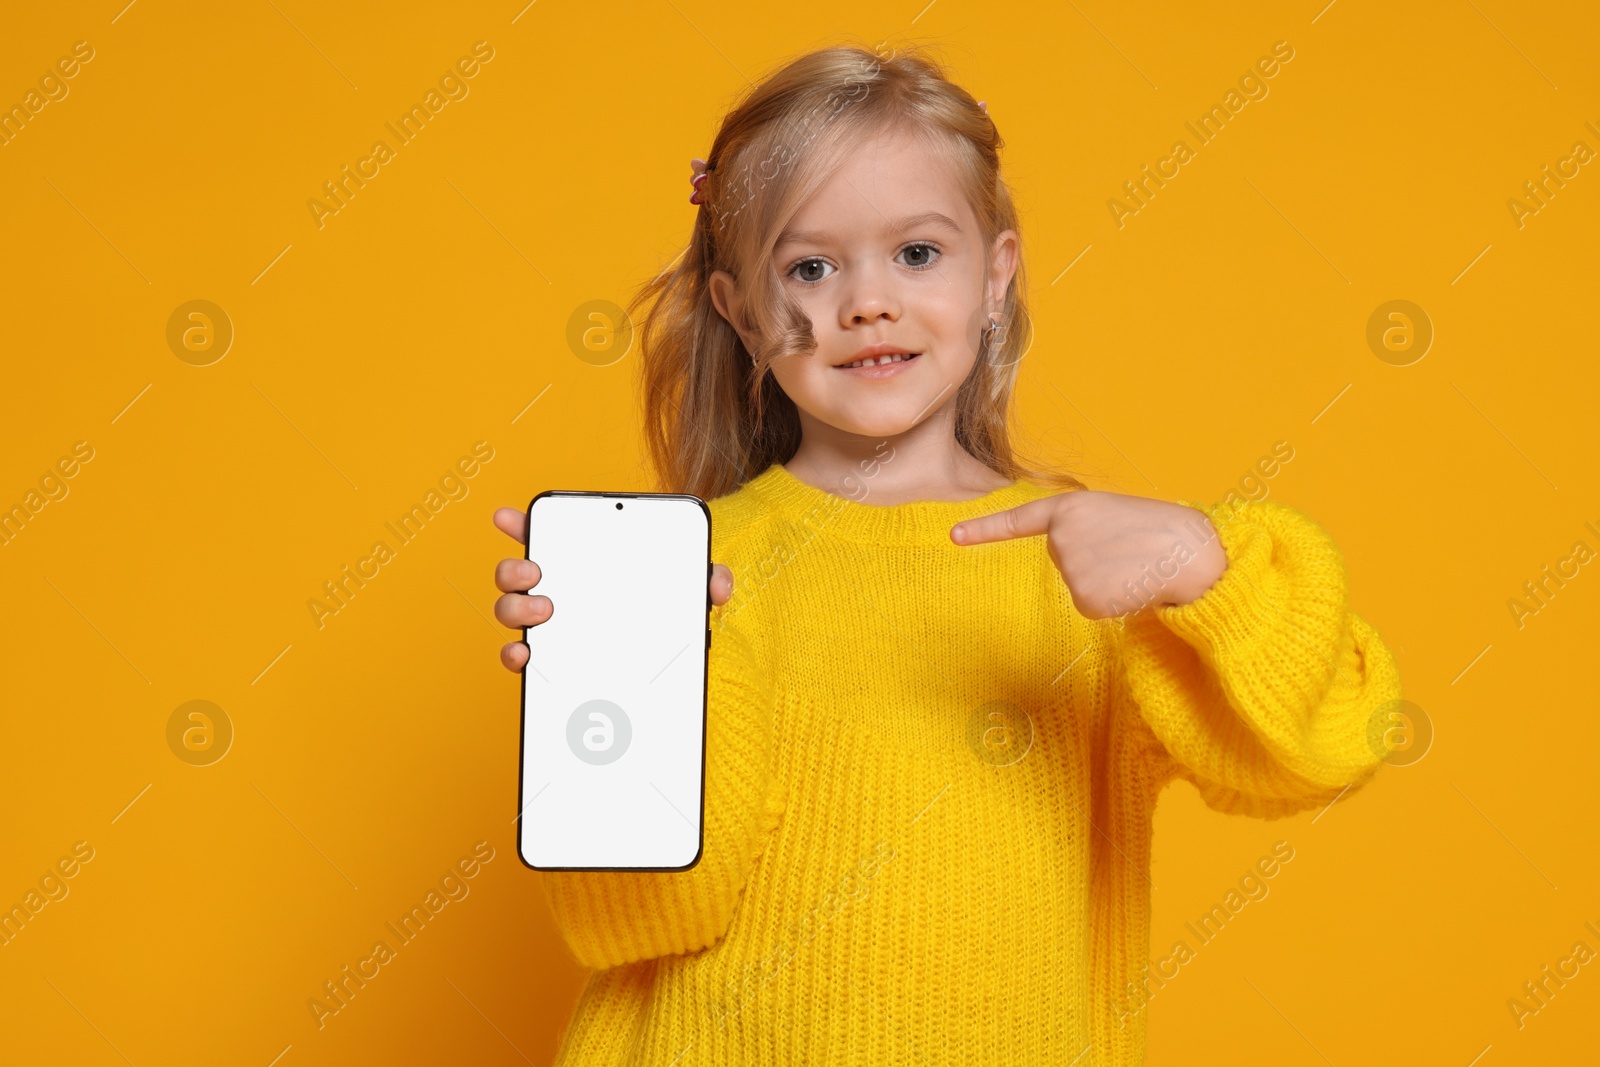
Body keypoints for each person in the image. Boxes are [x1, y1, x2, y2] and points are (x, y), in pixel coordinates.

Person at [491, 40, 1403, 1066]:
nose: (867, 300)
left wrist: (1207, 569)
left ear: (995, 275)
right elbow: (636, 922)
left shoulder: (1092, 566)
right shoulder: (694, 581)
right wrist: (622, 696)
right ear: (741, 312)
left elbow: (1334, 745)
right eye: (810, 266)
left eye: (916, 253)